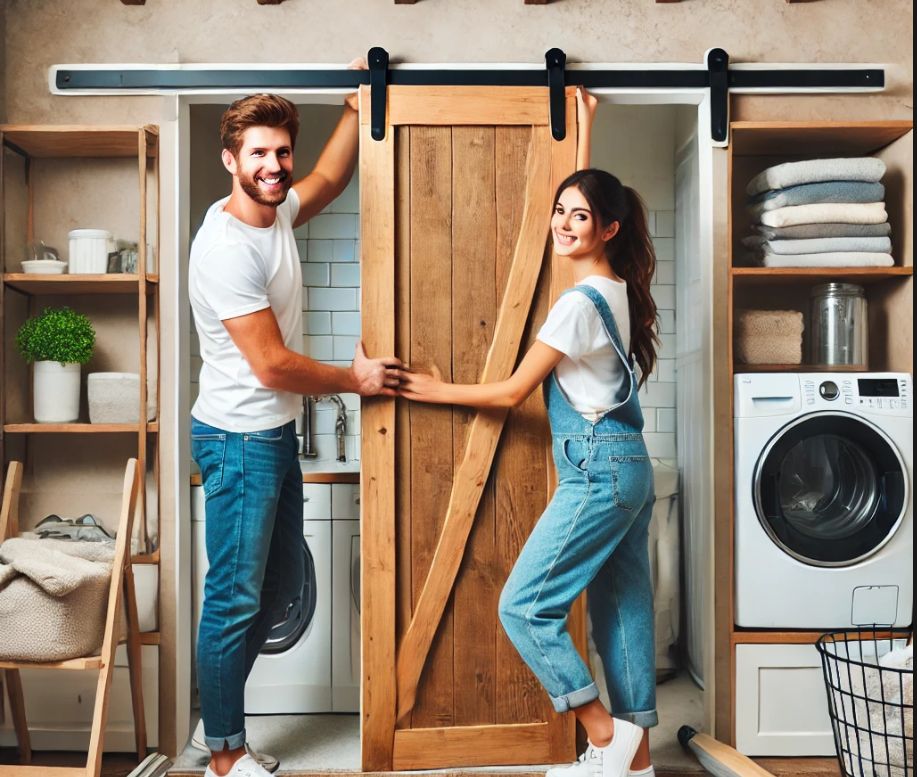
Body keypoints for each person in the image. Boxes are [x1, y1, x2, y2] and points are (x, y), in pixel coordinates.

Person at [397, 92, 660, 777]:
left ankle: (605, 739)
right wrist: (583, 134)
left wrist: (429, 388)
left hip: (597, 467)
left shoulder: (578, 305)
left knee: (523, 605)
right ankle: (637, 765)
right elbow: (581, 216)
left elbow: (511, 391)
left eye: (580, 215)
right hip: (629, 465)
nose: (563, 222)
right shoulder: (616, 288)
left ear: (607, 227)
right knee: (622, 614)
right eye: (559, 210)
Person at [189, 78, 401, 777]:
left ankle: (212, 723)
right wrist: (356, 379)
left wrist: (352, 108)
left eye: (281, 152)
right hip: (237, 438)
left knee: (276, 592)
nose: (273, 166)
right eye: (258, 154)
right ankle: (223, 752)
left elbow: (332, 177)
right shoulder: (226, 248)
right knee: (234, 598)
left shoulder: (275, 213)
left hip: (270, 437)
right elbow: (273, 365)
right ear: (230, 159)